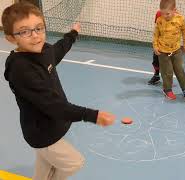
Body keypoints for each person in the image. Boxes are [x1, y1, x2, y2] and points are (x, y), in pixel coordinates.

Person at [2, 2, 116, 179]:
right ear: (11, 38)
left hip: (51, 128)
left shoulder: (44, 49)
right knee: (74, 162)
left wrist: (72, 34)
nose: (35, 36)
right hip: (42, 133)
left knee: (44, 168)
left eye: (39, 28)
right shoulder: (21, 69)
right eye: (24, 31)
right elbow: (54, 105)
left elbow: (58, 50)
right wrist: (92, 115)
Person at [153, 0, 185, 100]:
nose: (165, 15)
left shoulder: (180, 19)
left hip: (176, 50)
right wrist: (155, 46)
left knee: (179, 70)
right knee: (167, 72)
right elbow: (156, 35)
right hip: (163, 52)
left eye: (167, 13)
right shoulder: (160, 20)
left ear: (174, 10)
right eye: (162, 13)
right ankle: (167, 90)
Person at [148, 10, 185, 85]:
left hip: (172, 46)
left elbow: (183, 29)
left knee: (169, 65)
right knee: (155, 61)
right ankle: (156, 75)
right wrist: (155, 44)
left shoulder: (176, 14)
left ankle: (168, 83)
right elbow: (157, 29)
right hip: (161, 43)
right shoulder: (158, 13)